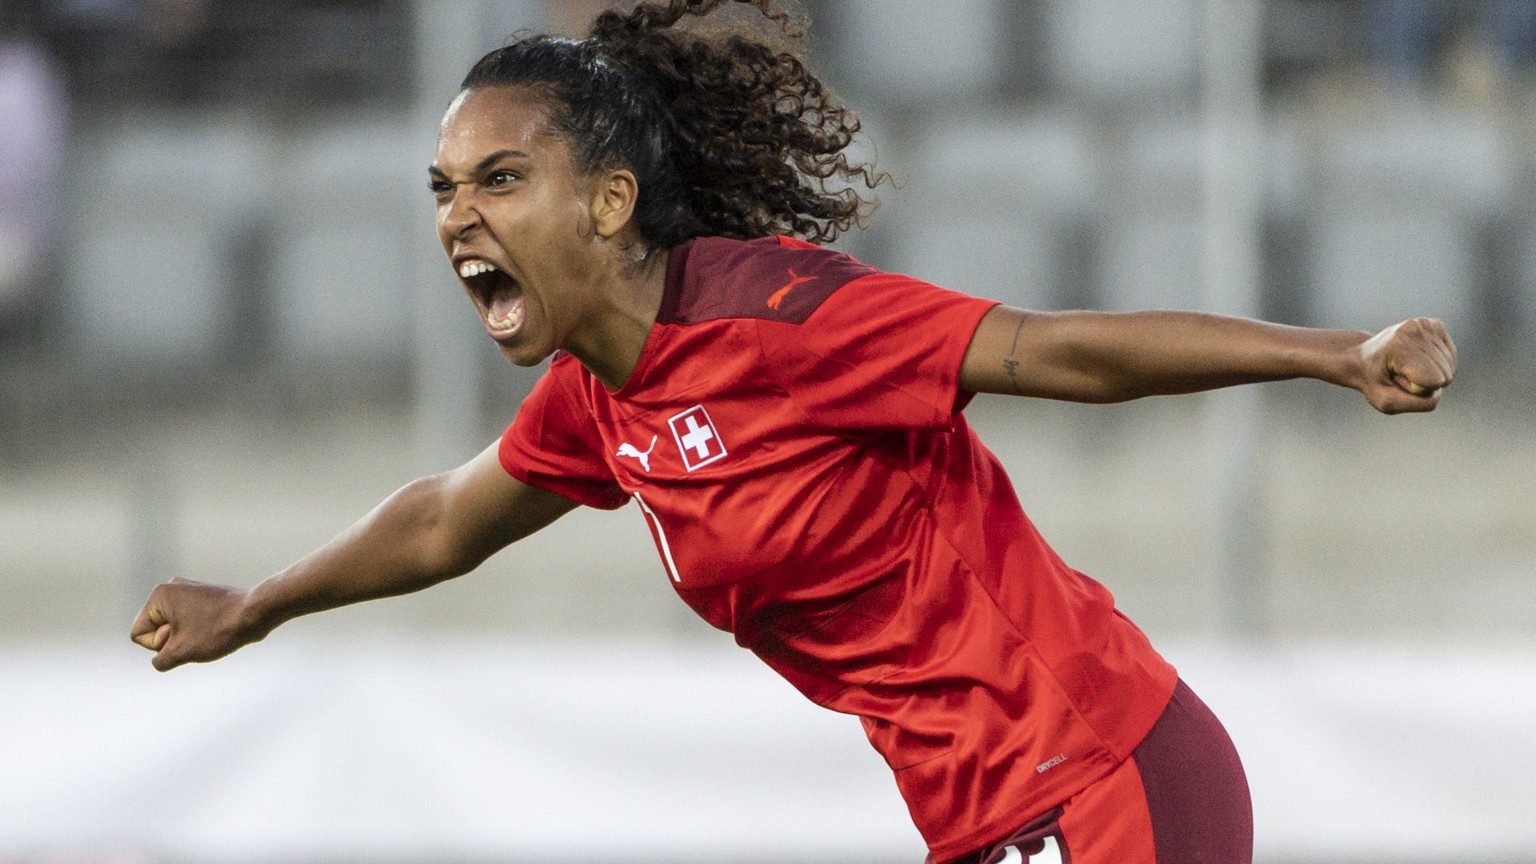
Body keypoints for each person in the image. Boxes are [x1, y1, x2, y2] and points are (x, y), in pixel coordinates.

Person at [130, 2, 1459, 862]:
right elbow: (440, 521)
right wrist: (255, 605)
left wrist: (1334, 356)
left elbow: (1063, 349)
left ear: (606, 203)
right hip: (989, 822)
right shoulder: (600, 401)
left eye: (499, 178)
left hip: (1106, 770)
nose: (456, 215)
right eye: (442, 188)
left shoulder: (784, 321)